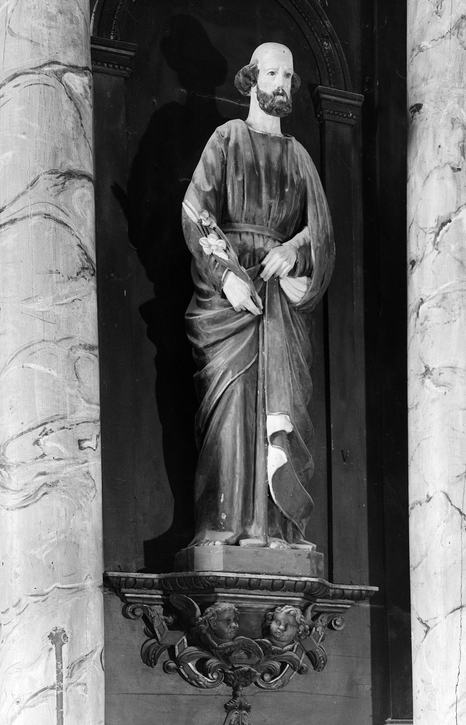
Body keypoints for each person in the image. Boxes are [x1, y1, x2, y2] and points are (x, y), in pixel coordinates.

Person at [182, 42, 334, 550]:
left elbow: (322, 234)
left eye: (289, 77)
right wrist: (225, 274)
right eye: (273, 74)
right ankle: (225, 527)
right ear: (251, 79)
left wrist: (291, 250)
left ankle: (277, 532)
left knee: (283, 409)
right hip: (232, 300)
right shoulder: (227, 139)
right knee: (231, 410)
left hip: (280, 306)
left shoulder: (299, 157)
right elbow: (197, 210)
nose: (282, 85)